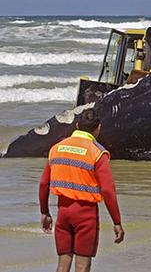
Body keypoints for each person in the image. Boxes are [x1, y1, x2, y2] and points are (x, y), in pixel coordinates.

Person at [39, 109, 124, 272]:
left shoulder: (57, 148)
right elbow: (108, 189)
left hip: (63, 212)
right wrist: (117, 222)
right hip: (86, 215)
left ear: (77, 125)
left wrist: (45, 212)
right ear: (98, 128)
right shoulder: (97, 152)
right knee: (82, 265)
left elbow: (44, 184)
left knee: (63, 264)